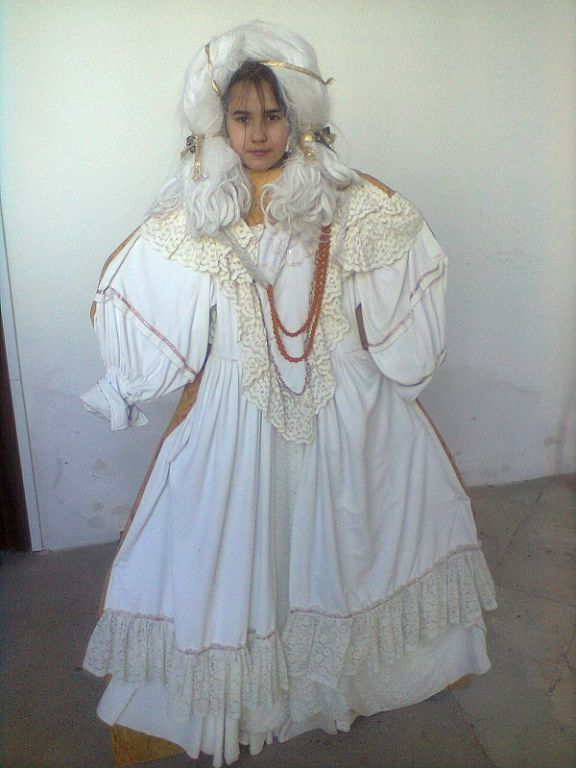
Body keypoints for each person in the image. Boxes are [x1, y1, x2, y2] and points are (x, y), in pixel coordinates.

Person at [81, 20, 497, 768]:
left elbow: (410, 261)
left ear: (298, 116)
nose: (258, 132)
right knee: (229, 544)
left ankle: (359, 675)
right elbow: (134, 290)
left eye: (273, 115)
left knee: (358, 536)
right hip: (236, 410)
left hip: (345, 401)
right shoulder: (201, 210)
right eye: (242, 116)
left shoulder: (346, 201)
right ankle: (231, 693)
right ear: (220, 122)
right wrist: (131, 374)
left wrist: (400, 348)